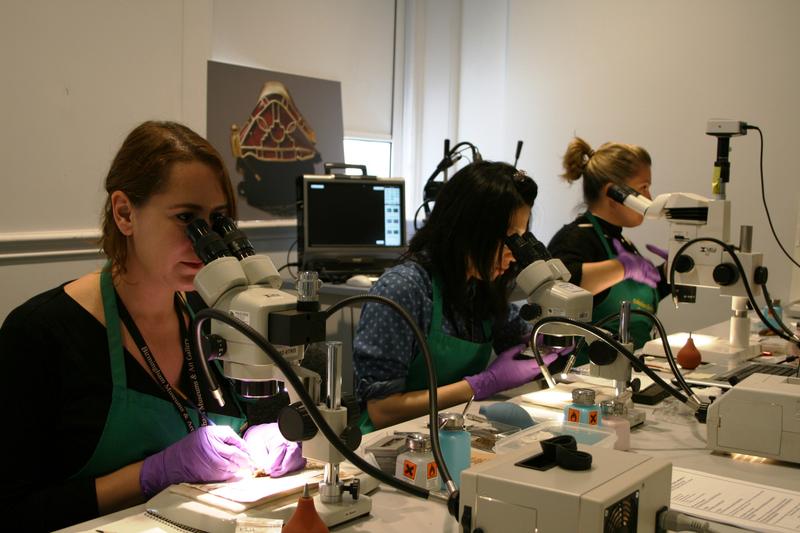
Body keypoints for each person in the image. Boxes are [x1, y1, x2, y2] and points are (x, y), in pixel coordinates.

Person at [0, 121, 305, 531]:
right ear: (125, 213)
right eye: (187, 218)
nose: (205, 243)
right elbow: (13, 510)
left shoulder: (214, 314)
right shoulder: (41, 334)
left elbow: (258, 414)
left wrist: (267, 435)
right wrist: (152, 473)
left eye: (217, 221)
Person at [353, 161, 561, 433]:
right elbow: (383, 411)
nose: (514, 254)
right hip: (388, 443)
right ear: (470, 230)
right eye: (510, 239)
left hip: (450, 433)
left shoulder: (479, 289)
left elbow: (522, 339)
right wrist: (482, 384)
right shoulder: (404, 290)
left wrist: (553, 337)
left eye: (521, 239)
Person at [547, 137, 671, 360]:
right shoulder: (575, 238)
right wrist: (621, 268)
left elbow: (636, 304)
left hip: (631, 364)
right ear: (614, 194)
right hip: (585, 371)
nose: (650, 198)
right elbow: (561, 288)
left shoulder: (621, 241)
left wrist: (669, 273)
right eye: (643, 188)